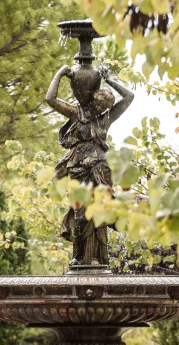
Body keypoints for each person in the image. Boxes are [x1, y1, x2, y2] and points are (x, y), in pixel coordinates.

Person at [45, 64, 134, 266]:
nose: (100, 110)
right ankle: (80, 256)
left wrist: (109, 79)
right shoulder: (77, 114)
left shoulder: (105, 120)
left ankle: (98, 258)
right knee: (81, 213)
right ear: (93, 99)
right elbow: (50, 99)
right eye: (99, 106)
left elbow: (129, 97)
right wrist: (60, 73)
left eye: (104, 108)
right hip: (79, 169)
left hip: (101, 171)